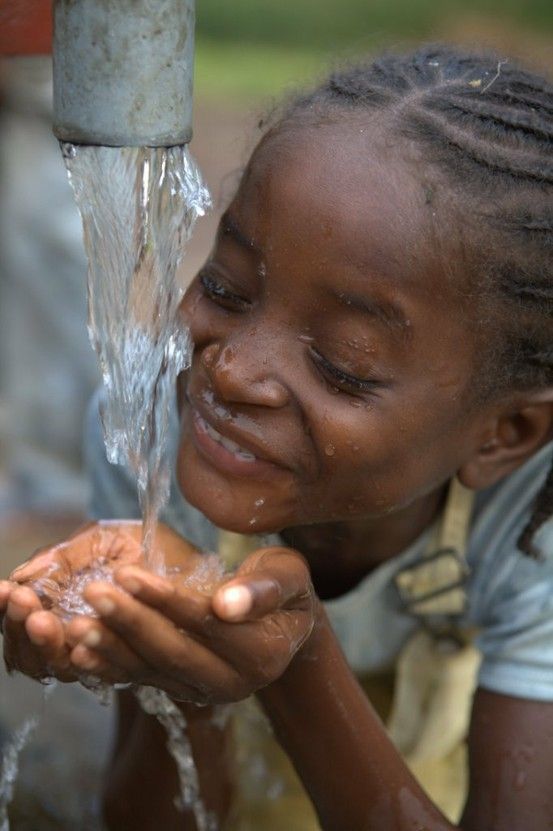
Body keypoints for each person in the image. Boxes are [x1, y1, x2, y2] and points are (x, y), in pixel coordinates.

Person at [1, 44, 553, 831]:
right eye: (225, 287)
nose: (230, 374)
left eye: (343, 367)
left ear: (507, 432)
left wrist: (298, 663)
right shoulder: (154, 426)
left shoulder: (537, 526)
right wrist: (170, 668)